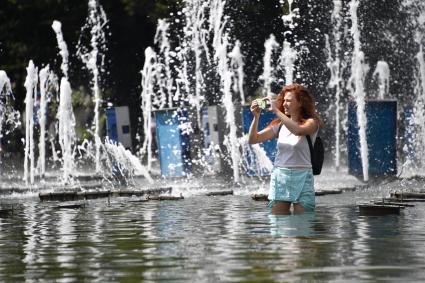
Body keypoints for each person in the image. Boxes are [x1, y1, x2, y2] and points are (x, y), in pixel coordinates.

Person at [248, 83, 324, 214]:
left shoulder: (311, 122)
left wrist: (276, 111)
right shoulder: (280, 125)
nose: (284, 104)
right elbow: (253, 139)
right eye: (283, 101)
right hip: (280, 177)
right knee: (279, 223)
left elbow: (298, 131)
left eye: (288, 101)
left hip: (303, 177)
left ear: (300, 103)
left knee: (303, 224)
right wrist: (256, 116)